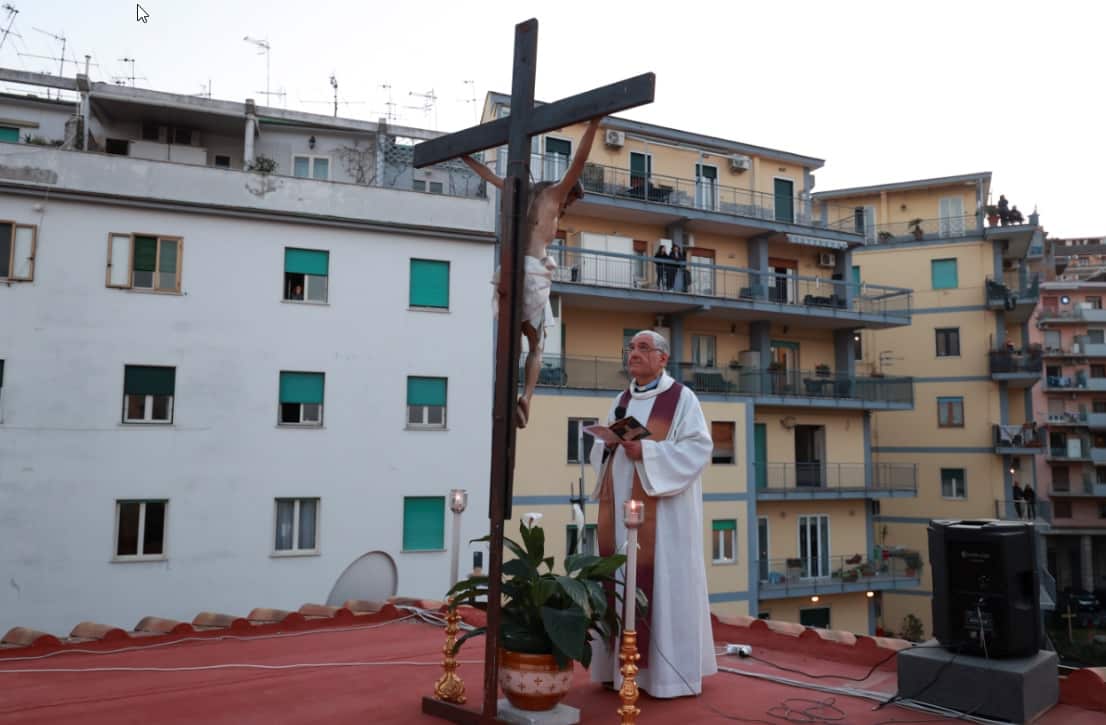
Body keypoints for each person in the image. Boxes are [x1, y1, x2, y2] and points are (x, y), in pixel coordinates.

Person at [588, 330, 716, 698]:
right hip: (623, 513)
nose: (634, 354)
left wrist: (649, 452)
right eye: (631, 348)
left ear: (663, 358)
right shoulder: (622, 399)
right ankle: (619, 671)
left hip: (665, 518)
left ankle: (665, 678)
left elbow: (698, 449)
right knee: (621, 580)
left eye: (643, 348)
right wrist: (608, 445)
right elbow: (603, 449)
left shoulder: (682, 399)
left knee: (661, 585)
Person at [462, 117, 603, 428]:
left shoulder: (520, 191)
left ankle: (506, 392)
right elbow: (578, 160)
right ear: (569, 192)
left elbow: (490, 176)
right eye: (572, 200)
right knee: (536, 345)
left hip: (508, 270)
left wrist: (464, 156)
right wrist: (594, 123)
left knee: (510, 341)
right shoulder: (554, 195)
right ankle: (526, 396)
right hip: (534, 275)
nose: (568, 206)